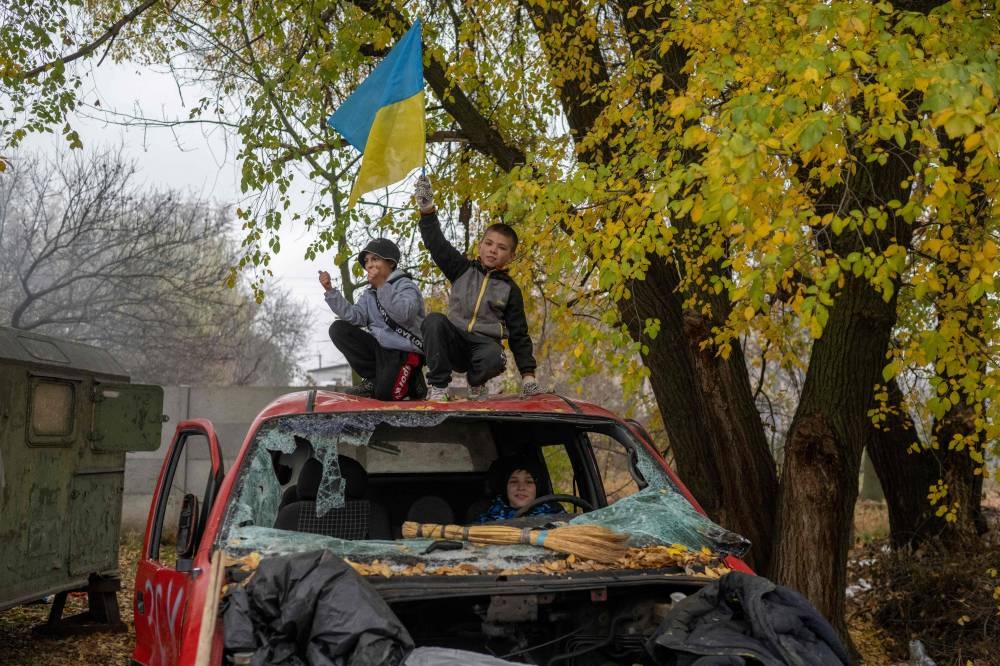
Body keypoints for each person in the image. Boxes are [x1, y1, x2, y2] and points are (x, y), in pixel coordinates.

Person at [413, 175, 542, 400]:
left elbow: (519, 335)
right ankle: (439, 387)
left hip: (483, 348)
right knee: (433, 320)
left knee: (495, 355)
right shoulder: (462, 269)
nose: (493, 250)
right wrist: (426, 210)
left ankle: (476, 384)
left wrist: (528, 376)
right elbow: (437, 244)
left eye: (501, 248)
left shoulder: (510, 290)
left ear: (510, 257)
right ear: (480, 245)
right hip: (454, 341)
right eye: (489, 244)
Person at [319, 237, 427, 400]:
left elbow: (404, 314)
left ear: (390, 263)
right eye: (366, 261)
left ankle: (413, 382)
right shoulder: (369, 294)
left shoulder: (406, 286)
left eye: (375, 259)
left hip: (403, 352)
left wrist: (382, 286)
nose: (369, 264)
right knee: (338, 329)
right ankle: (373, 379)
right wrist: (330, 291)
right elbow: (355, 316)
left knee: (384, 395)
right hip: (380, 351)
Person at [474, 456, 563, 523]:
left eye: (528, 482)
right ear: (505, 487)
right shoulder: (488, 516)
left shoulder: (555, 512)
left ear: (538, 487)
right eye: (514, 482)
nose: (521, 487)